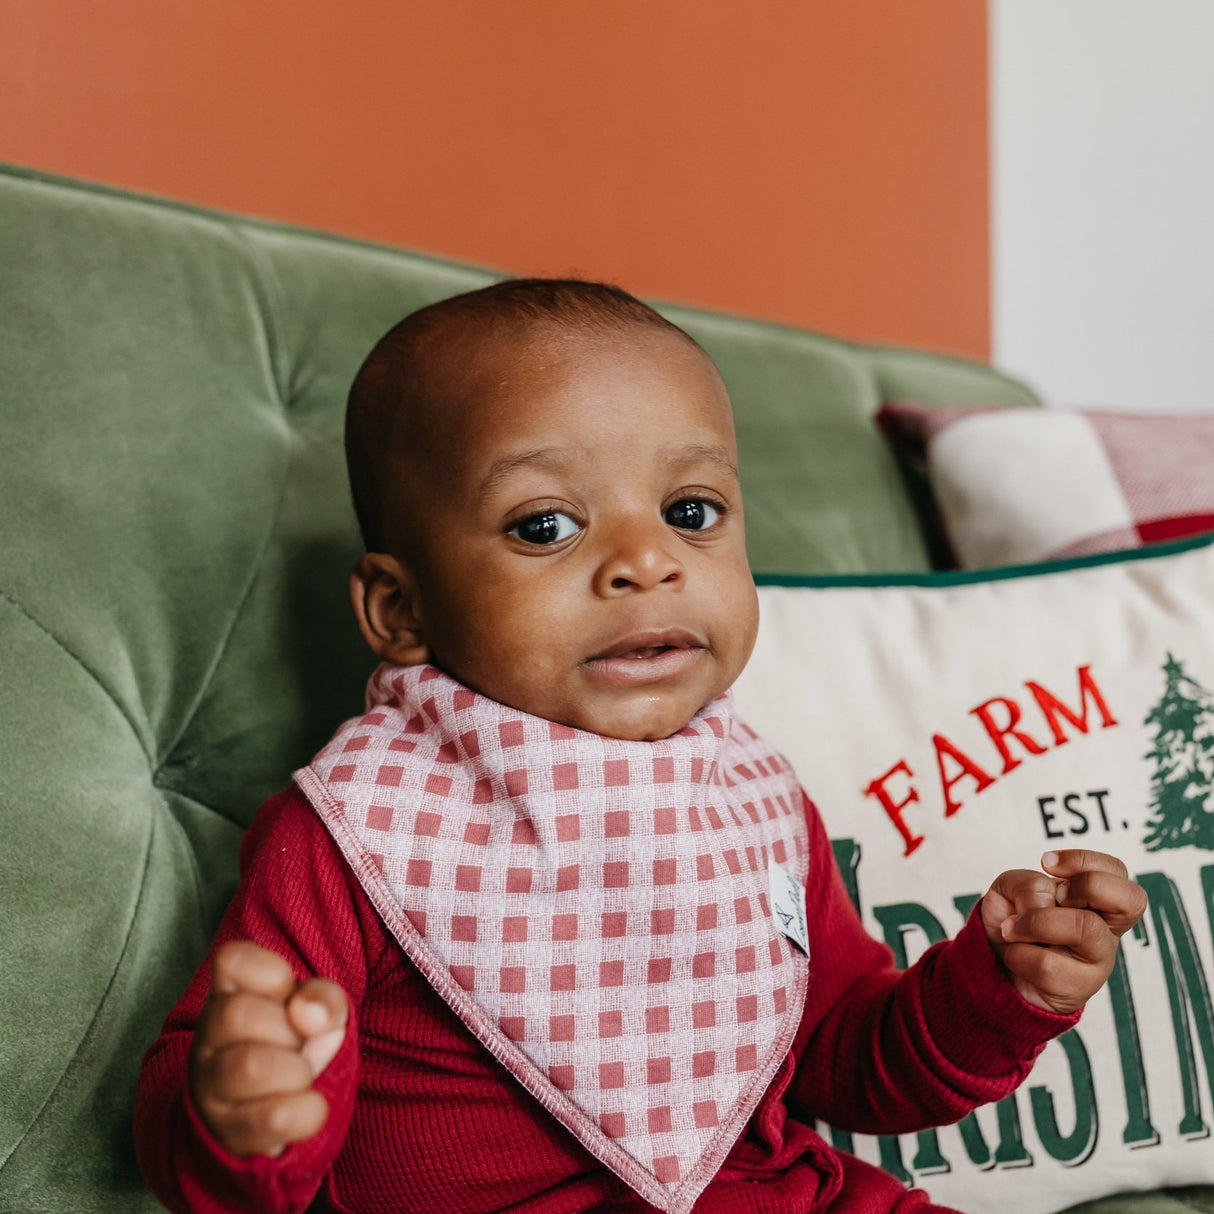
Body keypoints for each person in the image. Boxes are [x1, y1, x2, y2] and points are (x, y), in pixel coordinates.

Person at [135, 279, 1147, 1214]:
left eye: (690, 511)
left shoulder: (749, 794)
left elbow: (842, 1060)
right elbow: (212, 1133)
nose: (645, 559)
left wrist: (996, 987)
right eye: (544, 525)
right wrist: (245, 1106)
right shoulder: (356, 827)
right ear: (401, 607)